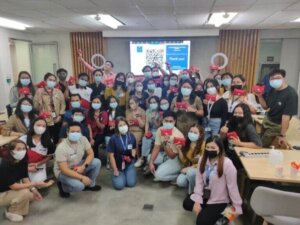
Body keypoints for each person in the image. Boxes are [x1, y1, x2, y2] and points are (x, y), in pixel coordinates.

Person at [183, 136, 242, 225]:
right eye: (207, 147)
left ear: (220, 149)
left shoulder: (227, 164)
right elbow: (199, 181)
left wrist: (237, 206)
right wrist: (197, 201)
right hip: (205, 195)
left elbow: (233, 187)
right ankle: (208, 213)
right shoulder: (202, 159)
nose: (209, 150)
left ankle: (225, 215)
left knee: (201, 222)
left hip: (219, 200)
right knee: (187, 203)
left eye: (213, 148)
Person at [0, 140, 49, 222]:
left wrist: (34, 190)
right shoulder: (4, 165)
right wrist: (35, 183)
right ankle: (10, 212)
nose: (22, 151)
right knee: (25, 193)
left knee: (31, 195)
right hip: (2, 192)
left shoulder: (22, 161)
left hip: (9, 190)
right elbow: (14, 186)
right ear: (11, 151)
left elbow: (25, 178)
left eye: (24, 149)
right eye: (18, 149)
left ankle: (12, 205)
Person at [54, 122, 102, 198]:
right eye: (72, 132)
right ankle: (63, 187)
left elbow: (91, 154)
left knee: (97, 162)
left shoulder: (83, 139)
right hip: (63, 171)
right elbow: (64, 169)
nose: (75, 133)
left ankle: (90, 185)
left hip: (77, 165)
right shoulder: (61, 147)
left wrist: (83, 167)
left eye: (78, 131)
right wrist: (82, 178)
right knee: (79, 186)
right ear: (67, 132)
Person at [254, 69, 298, 148]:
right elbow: (265, 107)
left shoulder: (291, 94)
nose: (274, 80)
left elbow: (286, 117)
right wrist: (260, 96)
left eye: (277, 78)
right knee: (259, 139)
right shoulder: (272, 90)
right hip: (267, 120)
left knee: (260, 145)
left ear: (284, 78)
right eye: (272, 79)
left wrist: (282, 135)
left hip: (277, 125)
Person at [220, 104, 262, 168]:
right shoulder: (231, 123)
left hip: (240, 158)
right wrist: (222, 133)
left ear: (245, 114)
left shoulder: (249, 127)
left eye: (240, 113)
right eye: (235, 113)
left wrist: (239, 143)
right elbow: (222, 139)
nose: (237, 115)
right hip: (228, 154)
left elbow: (258, 145)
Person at [148, 111, 185, 182]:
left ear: (175, 122)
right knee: (150, 158)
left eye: (171, 121)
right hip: (165, 155)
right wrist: (151, 163)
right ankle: (160, 167)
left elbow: (172, 156)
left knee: (158, 175)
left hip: (176, 159)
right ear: (162, 120)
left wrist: (165, 144)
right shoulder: (160, 130)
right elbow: (156, 147)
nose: (168, 123)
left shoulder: (178, 135)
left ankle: (176, 176)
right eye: (166, 121)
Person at [20, 118, 55, 183]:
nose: (41, 127)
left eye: (43, 126)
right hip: (22, 165)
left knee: (39, 182)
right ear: (33, 126)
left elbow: (49, 156)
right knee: (23, 183)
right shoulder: (23, 139)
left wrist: (37, 164)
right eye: (38, 125)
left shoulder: (49, 141)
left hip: (39, 165)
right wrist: (27, 168)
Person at [33, 73, 66, 145]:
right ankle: (48, 153)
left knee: (57, 138)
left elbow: (63, 104)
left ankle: (56, 153)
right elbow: (35, 108)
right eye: (50, 80)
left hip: (57, 119)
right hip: (45, 120)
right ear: (45, 81)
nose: (52, 82)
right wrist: (39, 99)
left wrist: (60, 115)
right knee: (47, 139)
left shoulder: (58, 91)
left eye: (54, 80)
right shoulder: (39, 91)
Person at [107, 117, 137, 190]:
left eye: (124, 124)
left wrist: (132, 156)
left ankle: (128, 173)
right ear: (117, 127)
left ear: (127, 125)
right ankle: (120, 174)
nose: (123, 127)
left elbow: (134, 148)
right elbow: (111, 156)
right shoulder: (113, 138)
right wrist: (115, 169)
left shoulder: (131, 136)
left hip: (129, 164)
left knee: (131, 184)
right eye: (120, 125)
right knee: (119, 186)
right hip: (117, 165)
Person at [177, 124, 205, 194]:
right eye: (191, 131)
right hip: (190, 167)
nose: (192, 134)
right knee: (180, 182)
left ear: (200, 135)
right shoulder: (187, 143)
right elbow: (184, 160)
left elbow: (204, 162)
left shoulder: (203, 145)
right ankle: (193, 184)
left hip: (201, 168)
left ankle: (192, 193)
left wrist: (190, 168)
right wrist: (179, 150)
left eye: (195, 133)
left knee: (190, 173)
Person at [139, 96, 162, 168]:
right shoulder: (147, 111)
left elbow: (158, 126)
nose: (152, 104)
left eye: (154, 102)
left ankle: (144, 158)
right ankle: (144, 158)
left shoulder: (160, 112)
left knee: (150, 137)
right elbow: (147, 123)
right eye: (151, 102)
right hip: (150, 130)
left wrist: (153, 119)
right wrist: (146, 132)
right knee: (145, 138)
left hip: (158, 131)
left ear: (157, 103)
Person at [126, 96, 146, 168]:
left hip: (138, 131)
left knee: (135, 140)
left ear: (137, 103)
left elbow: (143, 126)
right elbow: (125, 122)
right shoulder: (128, 111)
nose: (131, 105)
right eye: (130, 103)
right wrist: (128, 123)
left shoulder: (142, 111)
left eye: (132, 103)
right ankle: (127, 157)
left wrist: (138, 120)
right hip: (129, 130)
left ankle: (138, 158)